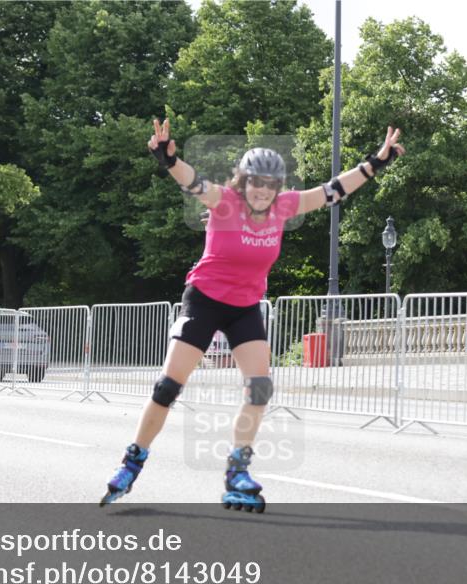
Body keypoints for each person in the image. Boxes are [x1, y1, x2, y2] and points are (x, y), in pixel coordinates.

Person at [100, 118, 405, 511]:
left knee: (260, 387)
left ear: (277, 188)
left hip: (245, 306)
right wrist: (168, 158)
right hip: (205, 299)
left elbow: (332, 191)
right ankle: (132, 462)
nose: (262, 191)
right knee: (168, 388)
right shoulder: (225, 201)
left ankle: (236, 469)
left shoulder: (285, 206)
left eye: (269, 184)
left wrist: (375, 163)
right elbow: (193, 182)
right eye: (255, 182)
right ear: (243, 181)